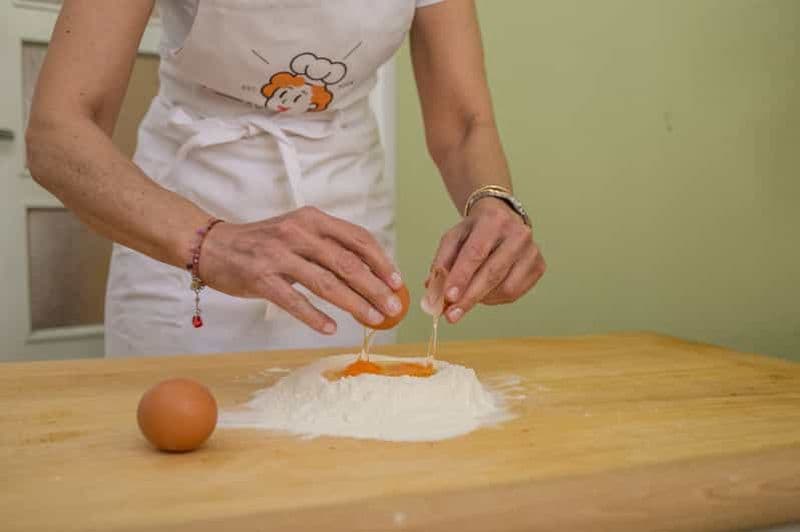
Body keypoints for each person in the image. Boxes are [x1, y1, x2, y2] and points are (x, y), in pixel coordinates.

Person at [26, 0, 546, 357]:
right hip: (181, 229)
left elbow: (462, 125)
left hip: (345, 232)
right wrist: (211, 242)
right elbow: (60, 132)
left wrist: (493, 203)